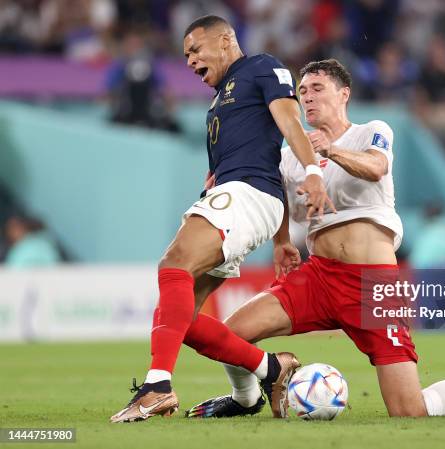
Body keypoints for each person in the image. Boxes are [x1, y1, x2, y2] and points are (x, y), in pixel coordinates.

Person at [184, 59, 445, 419]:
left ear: (344, 94)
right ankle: (246, 398)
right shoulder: (291, 157)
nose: (307, 98)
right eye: (302, 91)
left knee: (409, 410)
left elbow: (376, 167)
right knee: (232, 335)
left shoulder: (370, 132)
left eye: (317, 89)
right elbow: (275, 196)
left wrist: (328, 150)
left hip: (371, 283)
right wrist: (282, 240)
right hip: (318, 277)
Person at [110, 15, 335, 423]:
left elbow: (289, 122)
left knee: (173, 264)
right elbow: (269, 167)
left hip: (245, 197)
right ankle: (270, 370)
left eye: (195, 49)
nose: (191, 62)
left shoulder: (263, 67)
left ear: (226, 40)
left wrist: (314, 171)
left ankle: (158, 387)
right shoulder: (217, 105)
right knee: (178, 320)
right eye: (185, 56)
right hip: (237, 198)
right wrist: (282, 239)